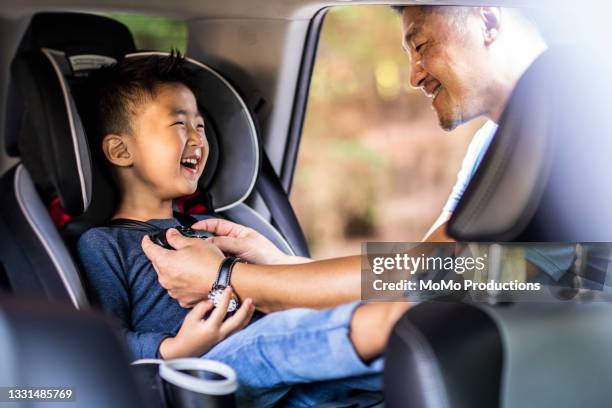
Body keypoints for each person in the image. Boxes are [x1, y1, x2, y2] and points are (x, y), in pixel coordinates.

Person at [143, 6, 555, 307]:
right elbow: (410, 273)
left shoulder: (582, 126)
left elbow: (435, 273)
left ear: (488, 20)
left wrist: (228, 279)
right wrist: (283, 267)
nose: (413, 76)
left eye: (422, 45)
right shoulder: (487, 148)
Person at [76, 52, 410, 407]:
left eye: (201, 126)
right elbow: (108, 341)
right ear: (119, 149)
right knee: (283, 333)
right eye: (179, 125)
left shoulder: (209, 230)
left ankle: (416, 334)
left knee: (380, 377)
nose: (197, 138)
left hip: (277, 371)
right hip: (207, 369)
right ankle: (399, 325)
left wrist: (265, 265)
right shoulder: (104, 244)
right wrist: (173, 349)